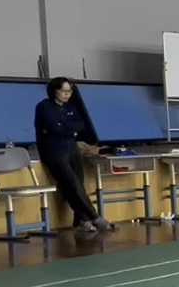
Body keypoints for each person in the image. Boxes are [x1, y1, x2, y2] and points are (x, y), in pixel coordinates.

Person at [34, 77, 117, 234]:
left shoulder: (70, 107)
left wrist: (65, 128)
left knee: (79, 184)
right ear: (54, 91)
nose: (67, 94)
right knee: (71, 184)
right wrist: (68, 130)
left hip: (72, 149)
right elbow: (53, 128)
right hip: (53, 151)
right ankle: (95, 217)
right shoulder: (44, 107)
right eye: (63, 91)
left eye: (69, 91)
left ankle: (81, 220)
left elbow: (79, 125)